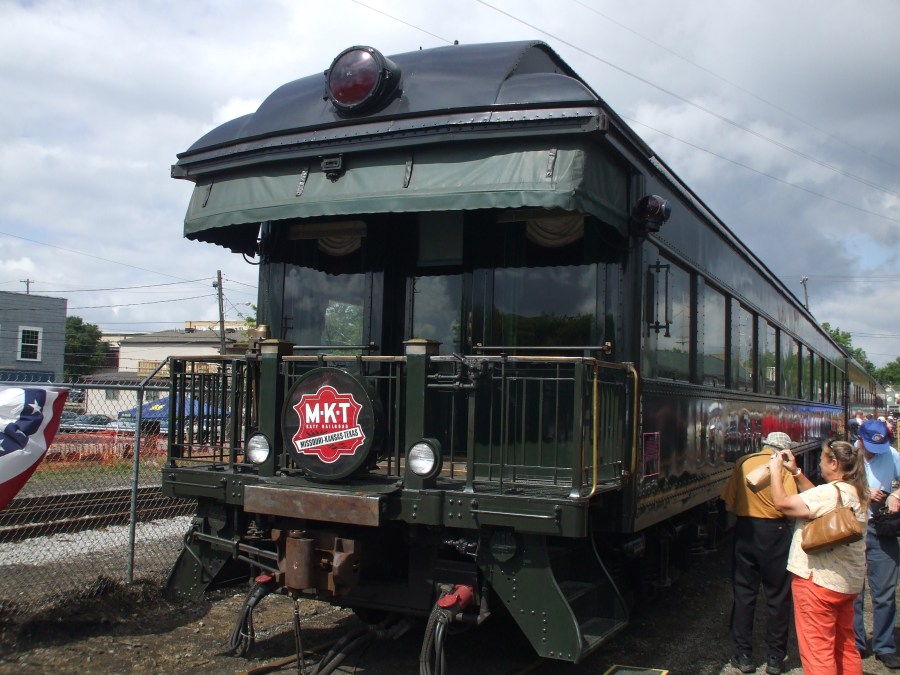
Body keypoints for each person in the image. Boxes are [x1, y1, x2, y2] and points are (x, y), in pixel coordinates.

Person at [769, 439, 868, 675]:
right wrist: (796, 472)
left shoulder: (828, 494)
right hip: (847, 583)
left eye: (823, 459)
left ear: (834, 463)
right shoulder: (856, 491)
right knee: (845, 646)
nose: (821, 465)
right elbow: (819, 498)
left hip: (817, 582)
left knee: (818, 652)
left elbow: (782, 504)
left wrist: (775, 472)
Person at [721, 431, 798, 674]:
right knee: (778, 597)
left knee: (744, 594)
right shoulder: (783, 467)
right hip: (775, 534)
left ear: (764, 444)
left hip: (745, 531)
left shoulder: (743, 463)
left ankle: (743, 655)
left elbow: (729, 503)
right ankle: (775, 658)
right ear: (784, 450)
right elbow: (791, 505)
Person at [853, 419, 900, 668]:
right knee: (854, 592)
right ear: (860, 440)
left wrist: (895, 494)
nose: (874, 452)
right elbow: (832, 486)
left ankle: (884, 645)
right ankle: (856, 644)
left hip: (881, 528)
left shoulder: (891, 454)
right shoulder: (848, 456)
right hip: (854, 529)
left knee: (885, 592)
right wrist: (863, 492)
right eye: (870, 446)